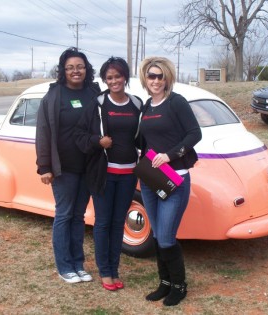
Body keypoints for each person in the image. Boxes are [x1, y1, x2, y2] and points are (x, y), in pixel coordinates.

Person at [74, 57, 143, 291]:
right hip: (103, 175)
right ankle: (105, 272)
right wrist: (98, 141)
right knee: (103, 222)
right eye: (109, 77)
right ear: (104, 80)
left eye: (118, 76)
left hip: (128, 174)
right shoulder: (98, 104)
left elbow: (144, 136)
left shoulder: (136, 103)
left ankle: (114, 269)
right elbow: (79, 136)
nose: (114, 81)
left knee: (117, 223)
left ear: (125, 77)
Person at [138, 56, 202, 306]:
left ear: (167, 78)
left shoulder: (176, 102)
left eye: (159, 76)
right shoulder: (146, 106)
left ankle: (179, 286)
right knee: (156, 236)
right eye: (151, 76)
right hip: (151, 179)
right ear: (145, 78)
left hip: (175, 179)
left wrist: (170, 155)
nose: (155, 80)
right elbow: (145, 140)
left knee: (166, 237)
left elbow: (194, 133)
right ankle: (164, 283)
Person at [35, 47, 100, 284]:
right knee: (64, 214)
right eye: (71, 67)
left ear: (86, 69)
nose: (76, 71)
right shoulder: (54, 96)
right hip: (63, 167)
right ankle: (64, 266)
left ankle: (78, 264)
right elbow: (43, 132)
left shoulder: (94, 92)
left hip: (89, 166)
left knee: (79, 216)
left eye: (80, 66)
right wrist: (44, 166)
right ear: (63, 70)